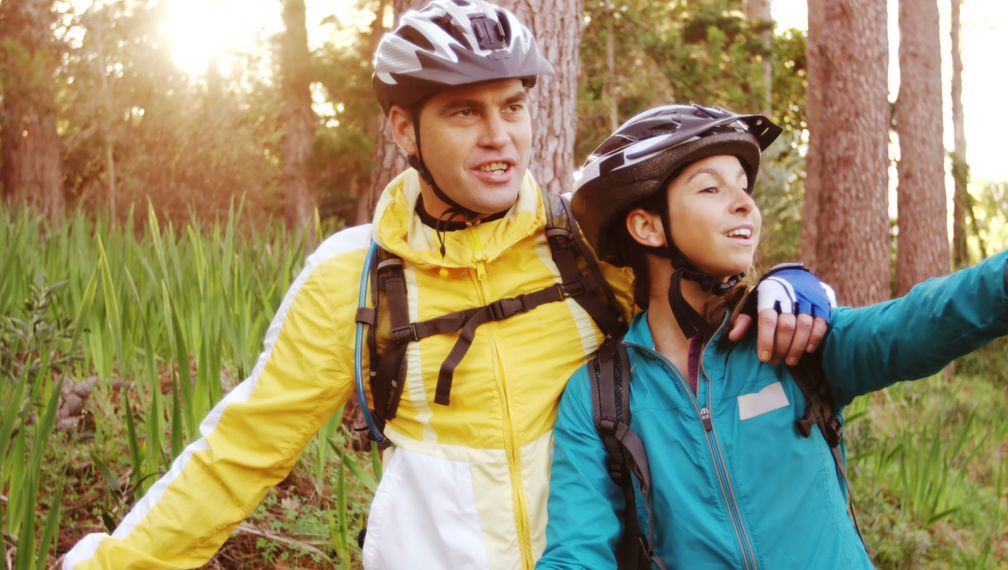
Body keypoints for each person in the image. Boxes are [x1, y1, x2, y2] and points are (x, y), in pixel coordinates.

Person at [62, 4, 833, 569]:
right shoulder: (353, 278)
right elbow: (242, 450)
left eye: (513, 108)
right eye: (465, 112)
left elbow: (717, 312)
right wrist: (112, 564)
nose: (499, 136)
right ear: (404, 131)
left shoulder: (586, 251)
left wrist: (796, 284)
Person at [537, 103, 1008, 569]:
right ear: (647, 227)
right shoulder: (602, 394)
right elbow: (578, 550)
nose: (744, 202)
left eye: (744, 188)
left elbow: (909, 327)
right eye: (710, 188)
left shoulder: (790, 334)